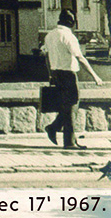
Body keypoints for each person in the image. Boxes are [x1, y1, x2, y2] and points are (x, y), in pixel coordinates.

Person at [43, 9, 103, 149]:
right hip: (69, 74)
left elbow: (46, 56)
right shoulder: (68, 36)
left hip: (56, 73)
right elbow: (80, 58)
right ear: (72, 22)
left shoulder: (50, 35)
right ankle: (68, 141)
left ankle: (56, 129)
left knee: (67, 106)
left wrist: (50, 73)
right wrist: (95, 76)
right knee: (72, 106)